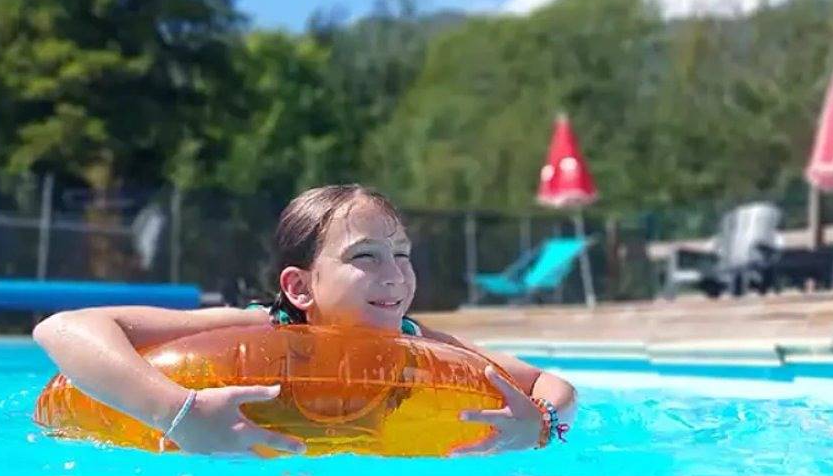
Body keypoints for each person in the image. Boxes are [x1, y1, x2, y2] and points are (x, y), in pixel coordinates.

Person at [33, 184, 577, 456]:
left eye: (403, 254)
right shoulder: (254, 328)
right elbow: (61, 328)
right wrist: (180, 412)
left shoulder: (421, 344)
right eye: (365, 257)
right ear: (299, 285)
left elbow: (551, 384)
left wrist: (544, 424)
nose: (395, 275)